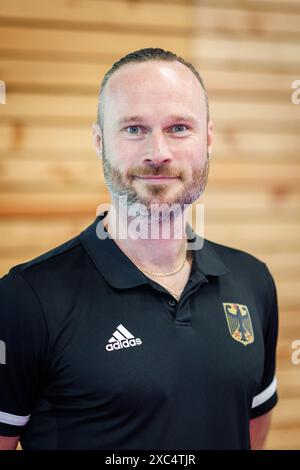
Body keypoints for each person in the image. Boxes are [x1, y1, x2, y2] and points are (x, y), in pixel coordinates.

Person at [0, 48, 278, 450]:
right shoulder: (23, 301)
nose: (158, 152)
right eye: (133, 129)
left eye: (179, 127)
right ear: (99, 141)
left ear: (209, 139)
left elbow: (250, 431)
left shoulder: (253, 281)